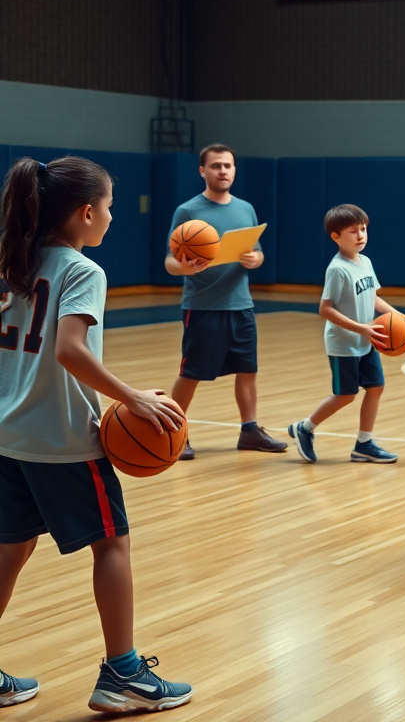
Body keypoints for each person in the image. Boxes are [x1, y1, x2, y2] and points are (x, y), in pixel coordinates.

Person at [0, 156, 192, 713]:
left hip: (7, 436)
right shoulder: (82, 271)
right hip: (59, 440)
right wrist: (131, 397)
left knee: (10, 549)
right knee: (111, 542)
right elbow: (68, 350)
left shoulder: (12, 259)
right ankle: (123, 675)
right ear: (86, 212)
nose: (112, 217)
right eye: (109, 206)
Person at [165, 144, 285, 458]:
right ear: (202, 171)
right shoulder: (187, 211)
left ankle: (250, 431)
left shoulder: (245, 208)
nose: (223, 171)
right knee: (191, 374)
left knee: (248, 371)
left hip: (241, 305)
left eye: (228, 165)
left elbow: (257, 253)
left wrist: (254, 259)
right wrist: (185, 266)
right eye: (216, 165)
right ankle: (175, 434)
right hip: (202, 306)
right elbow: (169, 262)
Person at [288, 204, 405, 464]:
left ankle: (364, 444)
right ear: (336, 237)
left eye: (364, 229)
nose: (361, 235)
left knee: (376, 388)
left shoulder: (365, 261)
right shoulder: (337, 269)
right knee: (346, 394)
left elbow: (374, 298)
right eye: (353, 231)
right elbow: (325, 309)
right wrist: (362, 328)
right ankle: (305, 428)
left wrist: (402, 319)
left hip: (367, 340)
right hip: (344, 343)